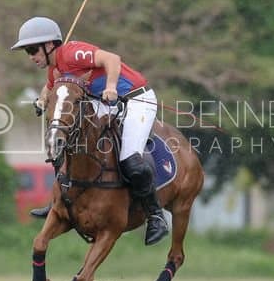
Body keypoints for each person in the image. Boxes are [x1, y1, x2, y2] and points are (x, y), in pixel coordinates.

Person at [10, 16, 169, 246]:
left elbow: (111, 59)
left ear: (49, 45)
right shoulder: (55, 67)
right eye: (27, 52)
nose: (31, 57)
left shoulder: (72, 53)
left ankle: (156, 216)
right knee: (64, 139)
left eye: (33, 50)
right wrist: (42, 100)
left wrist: (112, 87)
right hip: (104, 101)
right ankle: (58, 202)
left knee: (130, 159)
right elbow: (52, 86)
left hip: (136, 98)